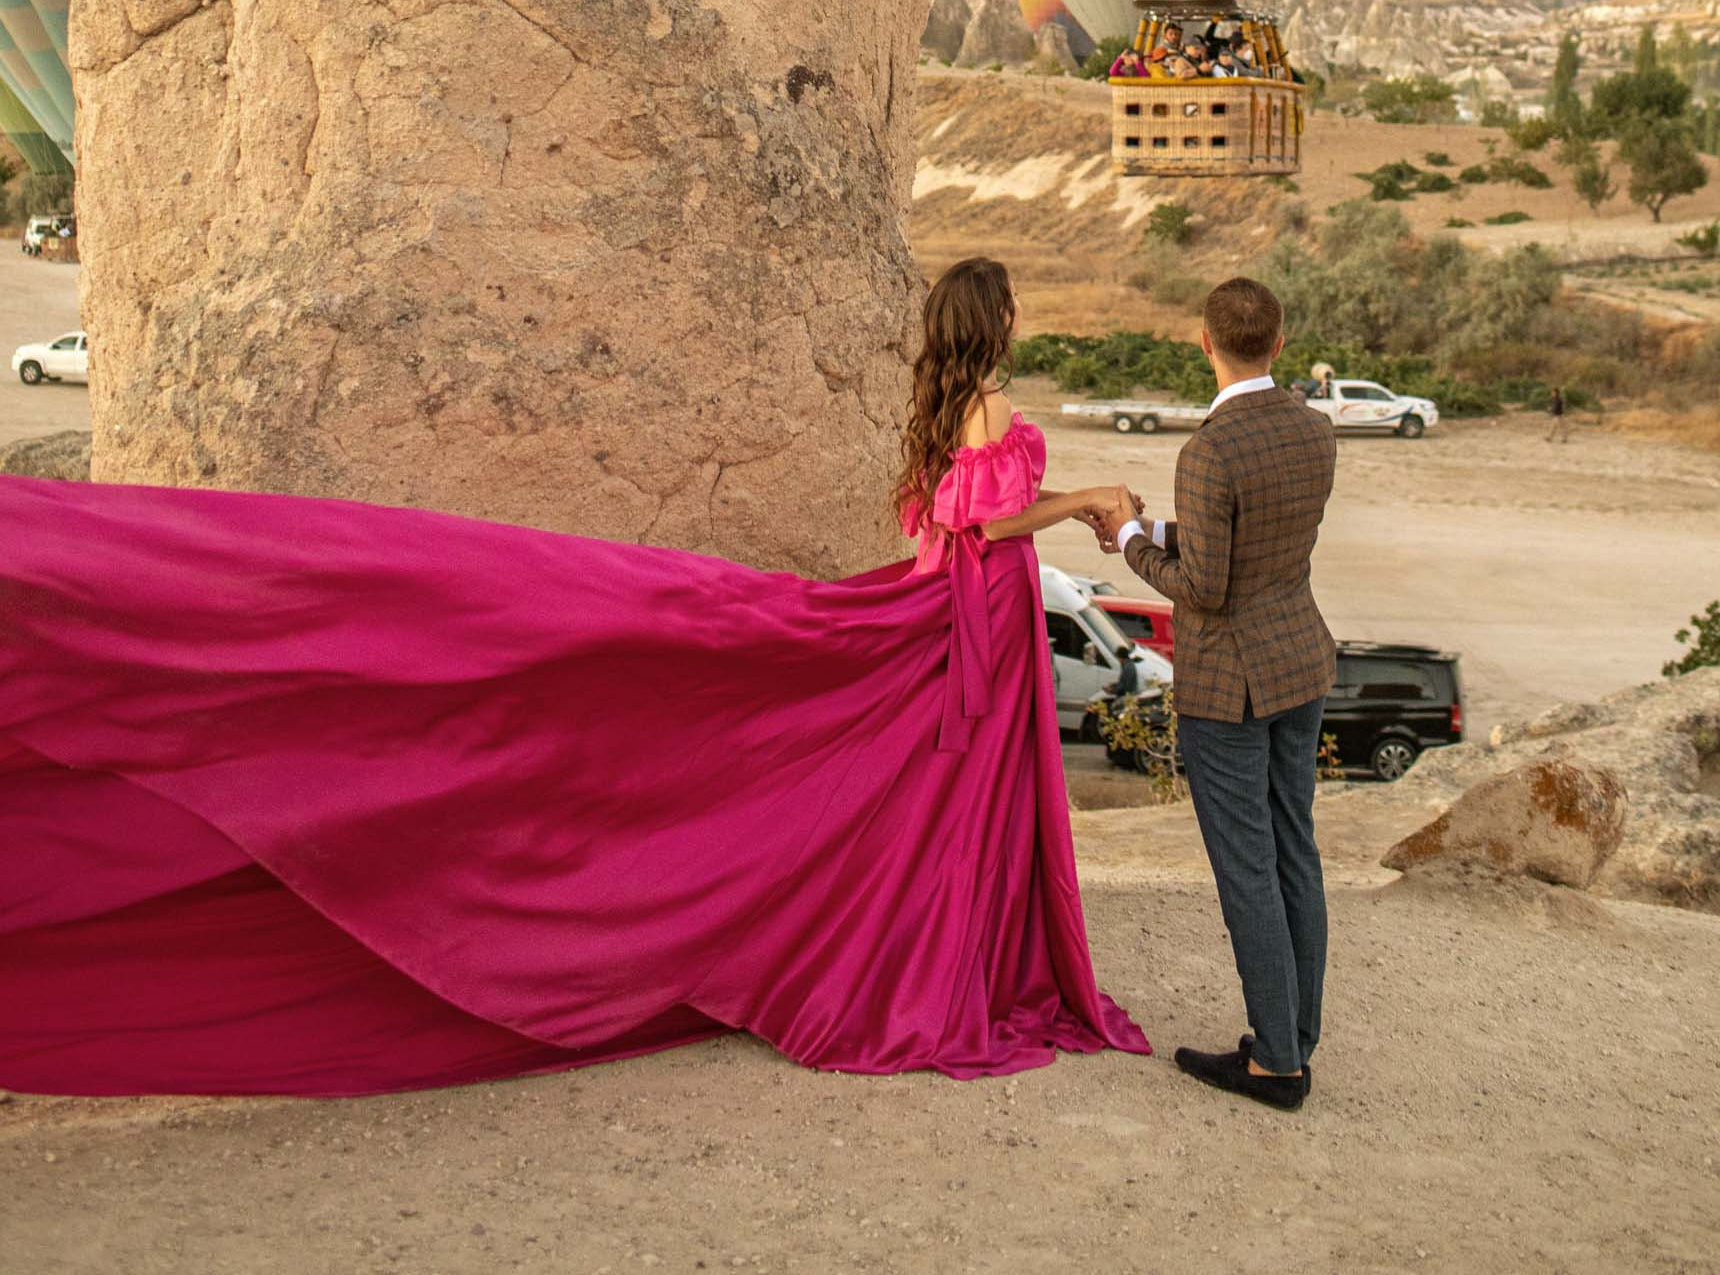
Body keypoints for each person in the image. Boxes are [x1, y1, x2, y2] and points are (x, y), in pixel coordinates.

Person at [0, 256, 1149, 1097]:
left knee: (939, 793)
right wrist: (1089, 498)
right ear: (993, 321)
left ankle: (935, 952)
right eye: (1010, 307)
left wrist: (1023, 527)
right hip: (976, 618)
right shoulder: (991, 405)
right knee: (960, 795)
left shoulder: (942, 407)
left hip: (953, 612)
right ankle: (953, 967)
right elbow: (987, 525)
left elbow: (940, 525)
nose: (1017, 319)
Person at [1095, 275, 1336, 1113]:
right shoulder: (1312, 428)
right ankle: (1295, 1037)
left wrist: (1130, 541)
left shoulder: (1209, 451)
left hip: (1229, 685)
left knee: (1247, 871)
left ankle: (1276, 1064)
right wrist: (1150, 526)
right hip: (1299, 664)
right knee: (1295, 850)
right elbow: (1255, 537)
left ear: (1205, 343)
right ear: (1279, 343)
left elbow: (1204, 586)